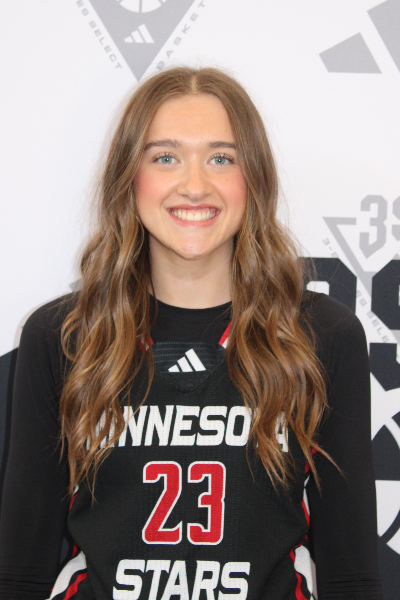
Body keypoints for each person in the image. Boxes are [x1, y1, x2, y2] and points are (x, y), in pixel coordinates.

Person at [0, 67, 382, 600]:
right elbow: (20, 572)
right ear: (129, 177)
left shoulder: (322, 335)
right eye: (166, 157)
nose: (195, 185)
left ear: (254, 178)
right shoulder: (63, 336)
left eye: (221, 158)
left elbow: (352, 573)